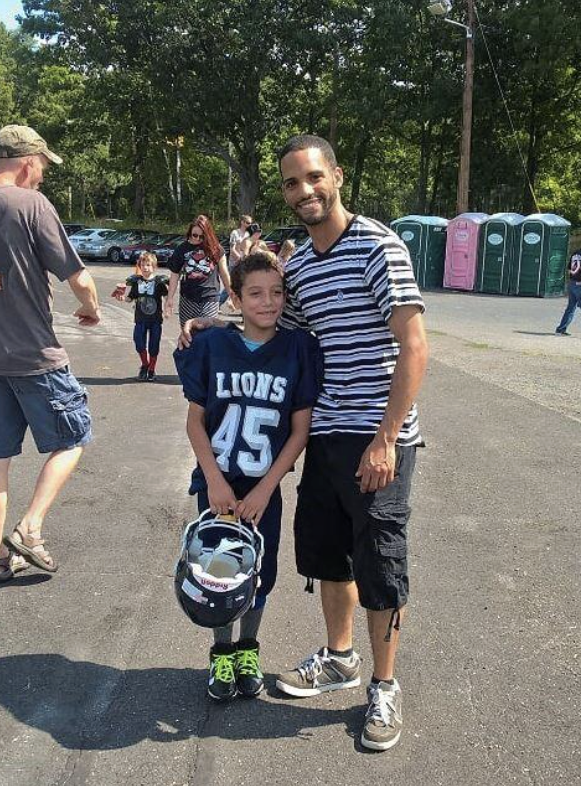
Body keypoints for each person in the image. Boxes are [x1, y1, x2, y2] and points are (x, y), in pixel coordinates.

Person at [179, 134, 428, 751]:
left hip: (377, 438)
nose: (304, 190)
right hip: (325, 435)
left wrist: (386, 438)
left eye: (314, 177)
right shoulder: (302, 270)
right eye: (292, 183)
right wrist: (212, 322)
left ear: (336, 176)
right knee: (326, 556)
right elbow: (270, 323)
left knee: (380, 564)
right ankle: (341, 658)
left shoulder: (378, 246)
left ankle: (384, 686)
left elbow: (414, 345)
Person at [173, 251, 322, 702]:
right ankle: (221, 652)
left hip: (262, 487)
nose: (268, 302)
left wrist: (266, 488)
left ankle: (247, 649)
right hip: (219, 482)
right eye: (255, 293)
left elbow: (300, 431)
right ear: (235, 298)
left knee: (258, 572)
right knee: (216, 572)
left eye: (277, 293)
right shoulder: (213, 345)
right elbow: (195, 422)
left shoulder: (298, 349)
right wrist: (214, 480)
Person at [0, 124, 100, 583]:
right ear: (28, 162)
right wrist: (91, 308)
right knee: (73, 438)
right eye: (42, 168)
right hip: (35, 356)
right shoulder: (31, 205)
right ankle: (30, 528)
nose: (42, 176)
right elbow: (78, 276)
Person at [164, 215, 230, 328]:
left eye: (202, 236)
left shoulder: (216, 249)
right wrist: (170, 299)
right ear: (190, 233)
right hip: (188, 298)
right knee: (188, 333)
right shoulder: (182, 249)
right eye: (195, 235)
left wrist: (232, 294)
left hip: (210, 298)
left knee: (207, 332)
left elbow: (224, 274)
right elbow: (175, 274)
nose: (198, 239)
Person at [114, 252, 169, 381]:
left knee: (154, 345)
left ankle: (152, 369)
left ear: (154, 267)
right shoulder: (136, 282)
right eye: (143, 265)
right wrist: (121, 298)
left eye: (148, 265)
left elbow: (167, 297)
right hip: (140, 319)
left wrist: (168, 308)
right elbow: (130, 298)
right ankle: (145, 365)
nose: (145, 268)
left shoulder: (159, 282)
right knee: (139, 342)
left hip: (155, 319)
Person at [555, 249, 581, 335]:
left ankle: (561, 329)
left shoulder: (575, 253)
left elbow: (569, 269)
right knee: (571, 308)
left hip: (572, 283)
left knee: (570, 308)